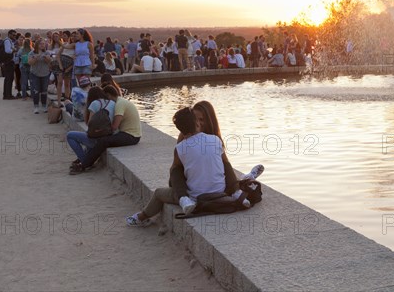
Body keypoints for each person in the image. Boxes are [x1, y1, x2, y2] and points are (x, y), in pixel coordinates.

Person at [125, 106, 263, 226]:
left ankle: (142, 217)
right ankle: (236, 192)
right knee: (224, 164)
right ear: (197, 123)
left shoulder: (180, 148)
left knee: (162, 188)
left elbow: (173, 177)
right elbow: (226, 165)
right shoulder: (215, 140)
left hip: (196, 197)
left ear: (180, 130)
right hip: (221, 190)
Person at [70, 85, 141, 174]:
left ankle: (84, 165)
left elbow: (114, 126)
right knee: (102, 140)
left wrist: (101, 131)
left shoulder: (119, 104)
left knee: (103, 141)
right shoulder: (120, 101)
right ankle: (85, 160)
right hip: (130, 133)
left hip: (131, 136)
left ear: (108, 95)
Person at [66, 86, 116, 170]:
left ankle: (84, 160)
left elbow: (89, 124)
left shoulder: (94, 104)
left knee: (70, 135)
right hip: (108, 137)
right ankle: (84, 158)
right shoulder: (112, 103)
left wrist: (87, 107)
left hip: (96, 140)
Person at [27, 39, 52, 113]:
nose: (42, 45)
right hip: (35, 74)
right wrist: (35, 58)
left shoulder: (47, 52)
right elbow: (30, 63)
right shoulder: (32, 53)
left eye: (43, 44)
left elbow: (49, 61)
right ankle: (36, 107)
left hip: (45, 74)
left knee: (44, 90)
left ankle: (44, 106)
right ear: (37, 45)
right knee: (36, 90)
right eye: (40, 44)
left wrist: (46, 58)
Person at [1, 30, 17, 99]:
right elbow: (7, 51)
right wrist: (13, 50)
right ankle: (8, 95)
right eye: (13, 35)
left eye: (15, 35)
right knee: (9, 79)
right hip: (9, 62)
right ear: (9, 34)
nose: (14, 36)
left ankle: (7, 94)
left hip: (8, 62)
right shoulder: (7, 41)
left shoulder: (8, 40)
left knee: (8, 78)